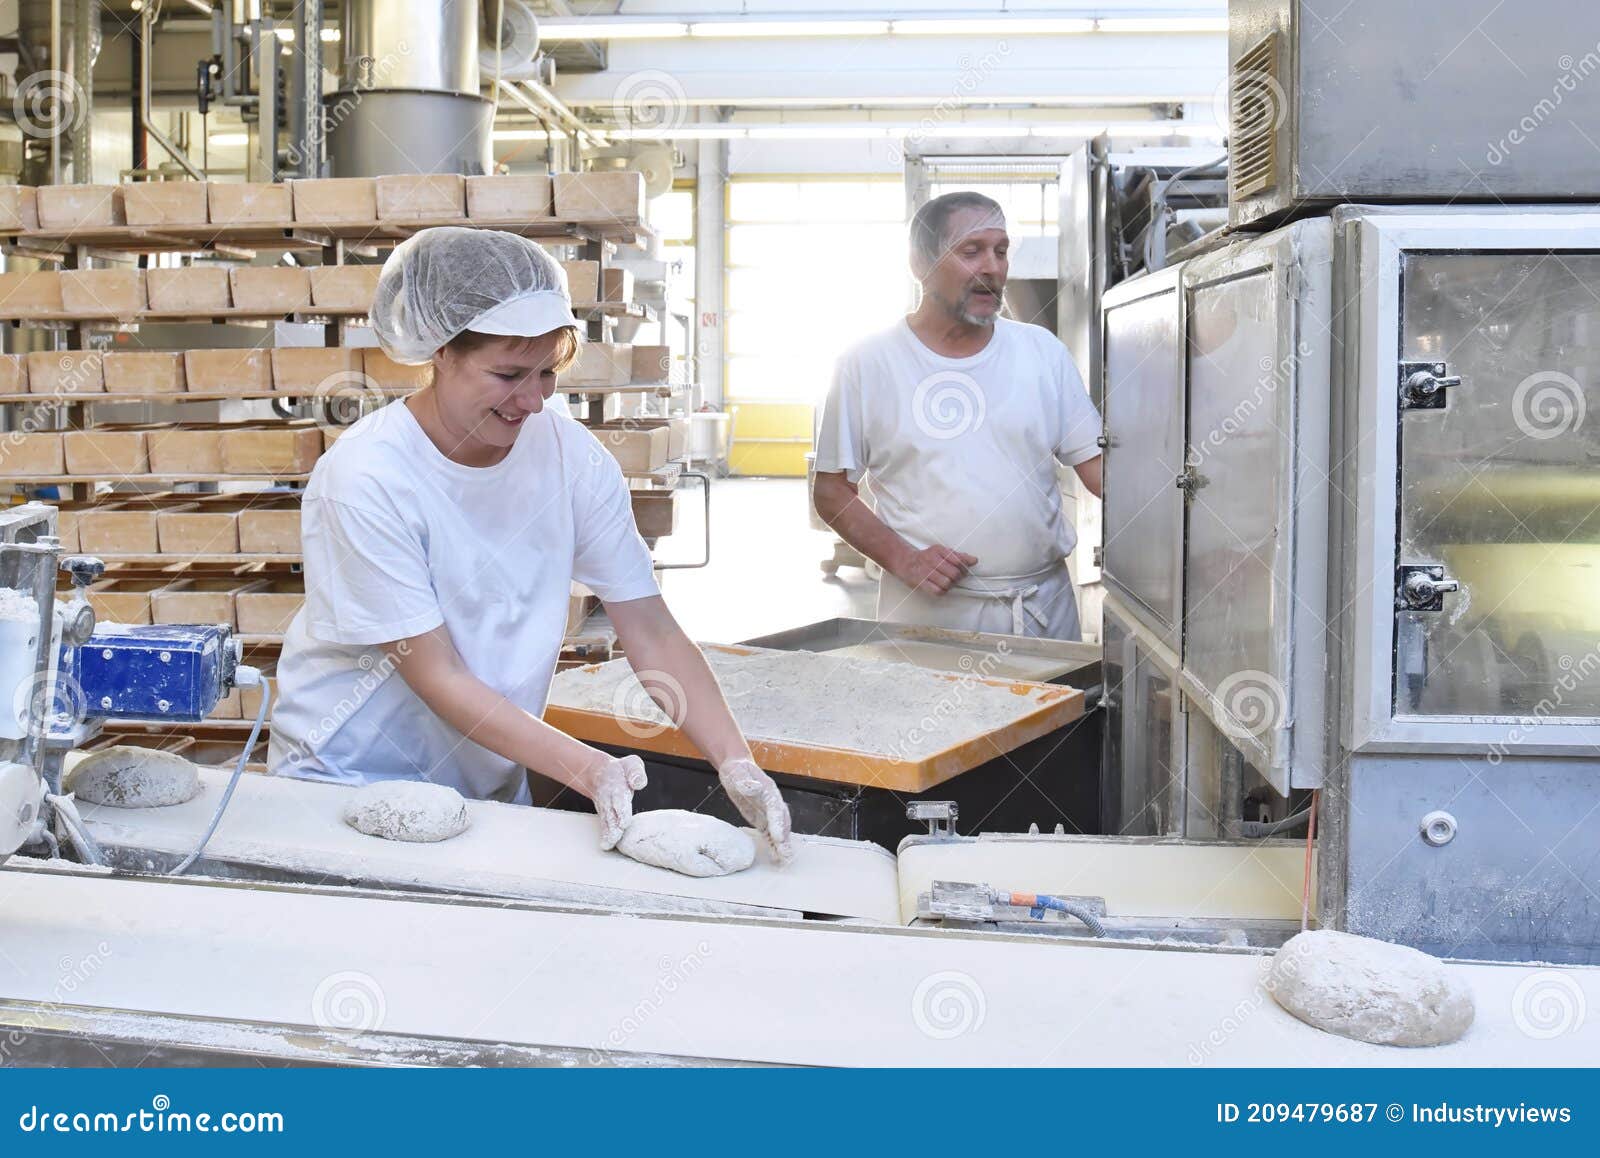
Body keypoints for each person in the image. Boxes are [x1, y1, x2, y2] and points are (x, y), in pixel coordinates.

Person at [267, 227, 791, 860]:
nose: (534, 399)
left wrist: (736, 763)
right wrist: (589, 768)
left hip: (487, 784)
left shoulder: (570, 457)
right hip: (349, 783)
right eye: (508, 374)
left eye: (547, 372)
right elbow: (437, 674)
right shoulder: (367, 476)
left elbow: (648, 628)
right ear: (441, 353)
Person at [812, 191, 1103, 640]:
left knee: (1058, 713)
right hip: (928, 621)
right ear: (919, 263)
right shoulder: (867, 364)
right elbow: (832, 490)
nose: (993, 267)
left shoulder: (1042, 353)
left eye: (1001, 251)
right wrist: (903, 558)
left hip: (1042, 612)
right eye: (971, 251)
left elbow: (1098, 468)